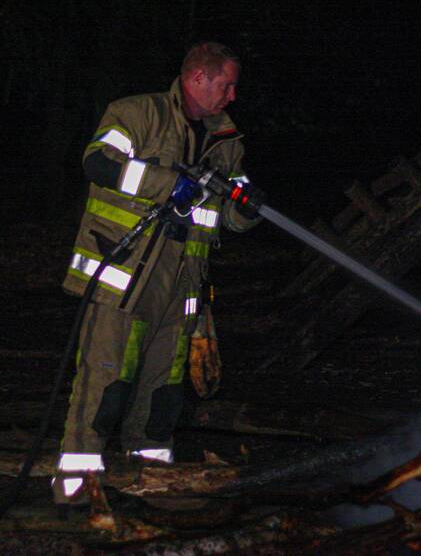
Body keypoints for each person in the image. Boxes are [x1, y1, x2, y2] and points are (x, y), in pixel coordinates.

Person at [52, 42, 263, 505]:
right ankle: (76, 492)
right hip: (123, 277)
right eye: (226, 85)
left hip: (183, 285)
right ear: (198, 78)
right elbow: (98, 162)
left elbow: (232, 212)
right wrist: (168, 184)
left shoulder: (226, 141)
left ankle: (153, 484)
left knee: (162, 392)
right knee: (105, 383)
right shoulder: (137, 114)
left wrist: (248, 208)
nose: (232, 97)